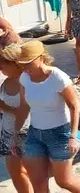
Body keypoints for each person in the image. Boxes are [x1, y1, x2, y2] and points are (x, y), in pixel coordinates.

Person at [5, 41, 80, 193]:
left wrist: (73, 136)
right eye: (22, 63)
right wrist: (15, 134)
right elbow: (24, 107)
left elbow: (74, 106)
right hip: (35, 134)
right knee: (38, 183)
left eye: (29, 63)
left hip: (60, 134)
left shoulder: (58, 78)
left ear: (41, 58)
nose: (25, 67)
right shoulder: (24, 78)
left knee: (64, 181)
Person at [0, 47, 32, 193]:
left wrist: (7, 108)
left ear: (17, 63)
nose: (1, 66)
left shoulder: (28, 82)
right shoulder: (6, 82)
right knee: (15, 172)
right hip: (7, 132)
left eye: (4, 63)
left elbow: (26, 111)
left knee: (30, 172)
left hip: (25, 133)